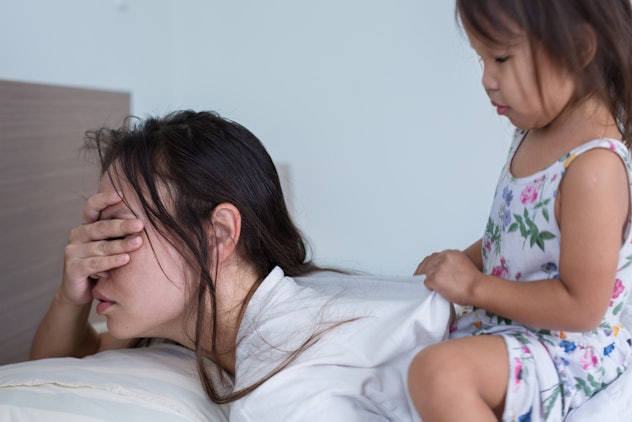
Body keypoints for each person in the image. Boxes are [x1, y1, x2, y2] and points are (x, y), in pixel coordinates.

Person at [29, 110, 451, 420]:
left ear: (218, 235)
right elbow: (60, 369)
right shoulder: (248, 316)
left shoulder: (279, 386)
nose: (98, 260)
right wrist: (69, 296)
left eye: (117, 231)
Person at [407, 1, 632, 421]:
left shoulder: (593, 167)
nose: (487, 81)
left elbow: (582, 306)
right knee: (395, 346)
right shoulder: (534, 132)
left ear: (579, 48)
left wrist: (473, 287)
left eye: (501, 58)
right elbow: (518, 236)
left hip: (569, 348)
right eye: (481, 59)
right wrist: (459, 263)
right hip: (517, 325)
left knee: (437, 373)